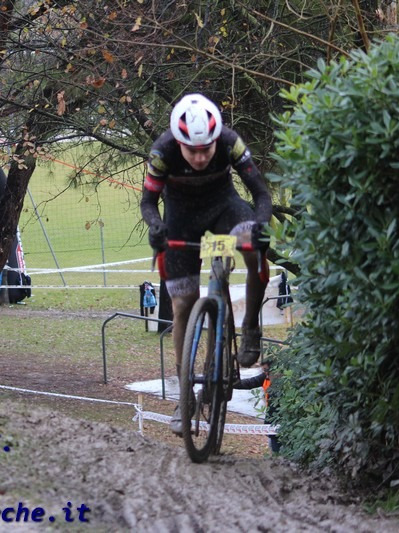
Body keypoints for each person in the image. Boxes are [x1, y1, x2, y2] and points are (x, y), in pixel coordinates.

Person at [140, 93, 273, 434]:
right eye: (192, 151)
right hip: (181, 218)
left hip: (224, 207)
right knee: (183, 304)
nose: (200, 157)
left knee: (254, 247)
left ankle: (251, 326)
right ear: (179, 143)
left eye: (206, 150)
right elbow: (148, 203)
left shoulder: (229, 142)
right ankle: (186, 398)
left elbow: (261, 194)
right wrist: (155, 227)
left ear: (216, 140)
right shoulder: (162, 151)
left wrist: (260, 225)